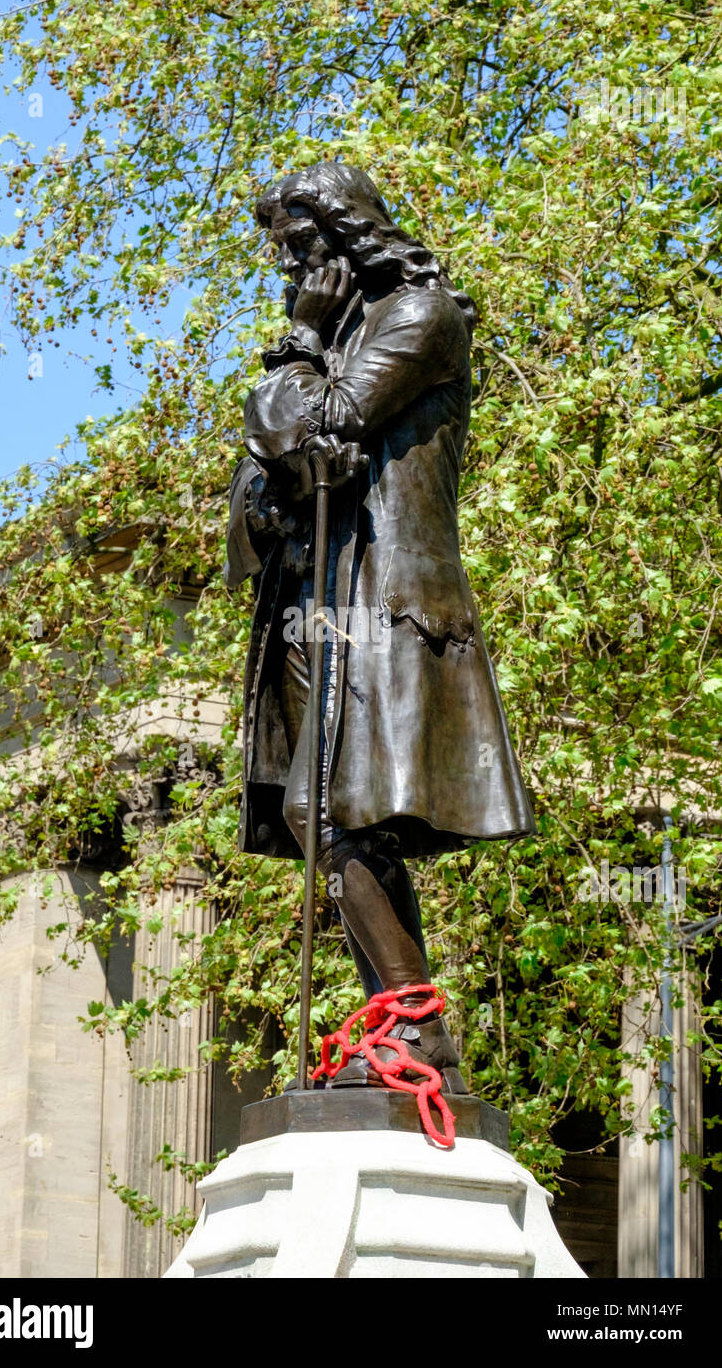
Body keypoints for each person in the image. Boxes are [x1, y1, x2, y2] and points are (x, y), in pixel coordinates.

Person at [224, 162, 535, 1091]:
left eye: (305, 249)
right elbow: (268, 473)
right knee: (326, 812)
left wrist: (301, 343)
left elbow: (317, 432)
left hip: (387, 602)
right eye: (283, 256)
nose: (294, 271)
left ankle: (412, 1025)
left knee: (332, 809)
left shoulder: (417, 320)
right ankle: (401, 1024)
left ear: (350, 236)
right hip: (317, 603)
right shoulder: (341, 336)